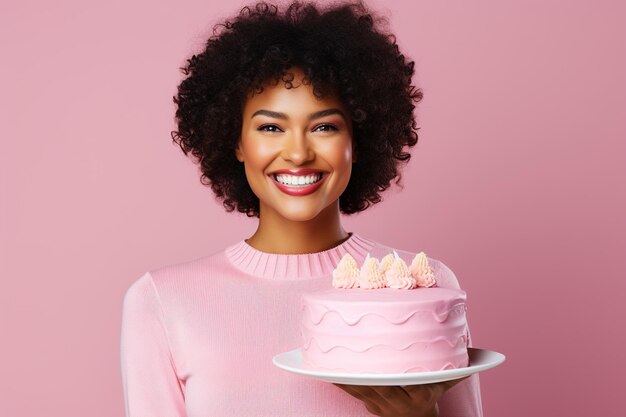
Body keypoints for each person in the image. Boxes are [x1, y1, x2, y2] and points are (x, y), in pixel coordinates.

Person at [120, 1, 483, 416]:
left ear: (358, 140)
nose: (297, 153)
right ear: (235, 142)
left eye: (324, 126)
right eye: (270, 127)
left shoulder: (427, 290)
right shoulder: (162, 302)